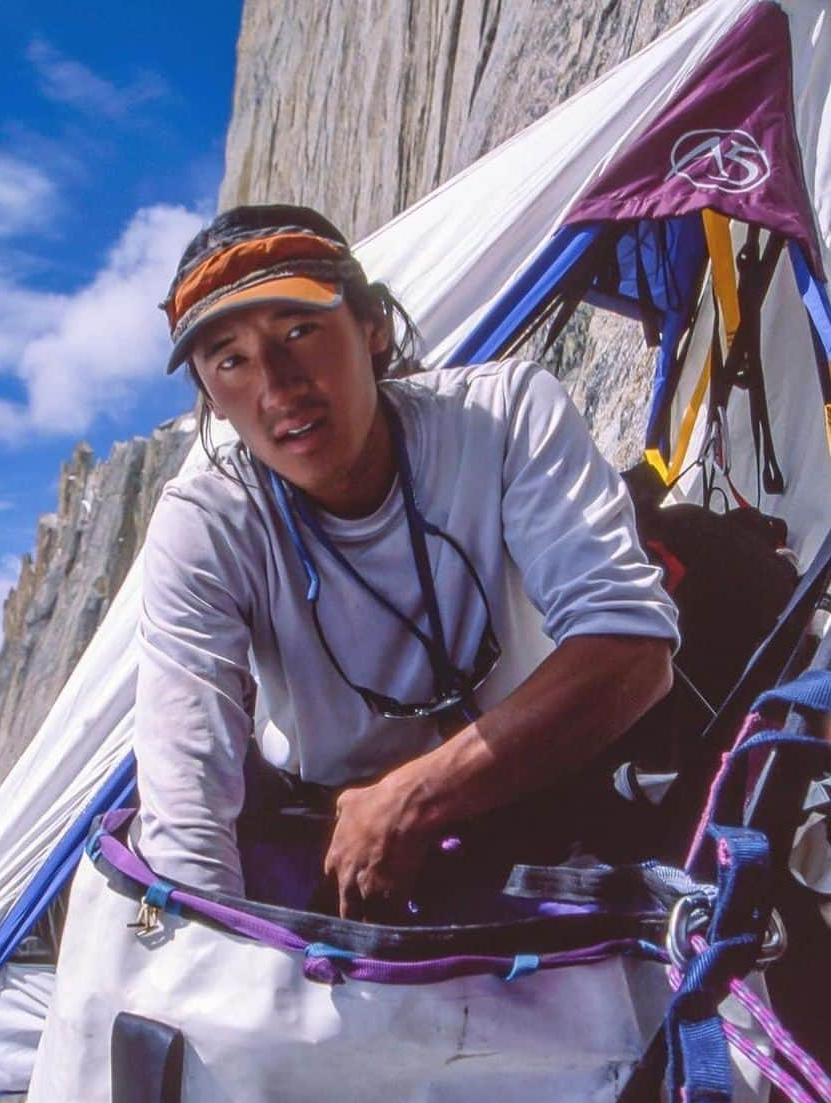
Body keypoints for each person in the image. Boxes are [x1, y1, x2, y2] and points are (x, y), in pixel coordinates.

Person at [134, 203, 679, 921]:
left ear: (373, 329)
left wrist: (413, 797)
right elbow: (187, 807)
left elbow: (634, 650)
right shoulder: (206, 525)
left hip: (541, 782)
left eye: (299, 331)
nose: (276, 386)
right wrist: (206, 962)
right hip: (327, 837)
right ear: (211, 395)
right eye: (231, 361)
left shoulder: (504, 415)